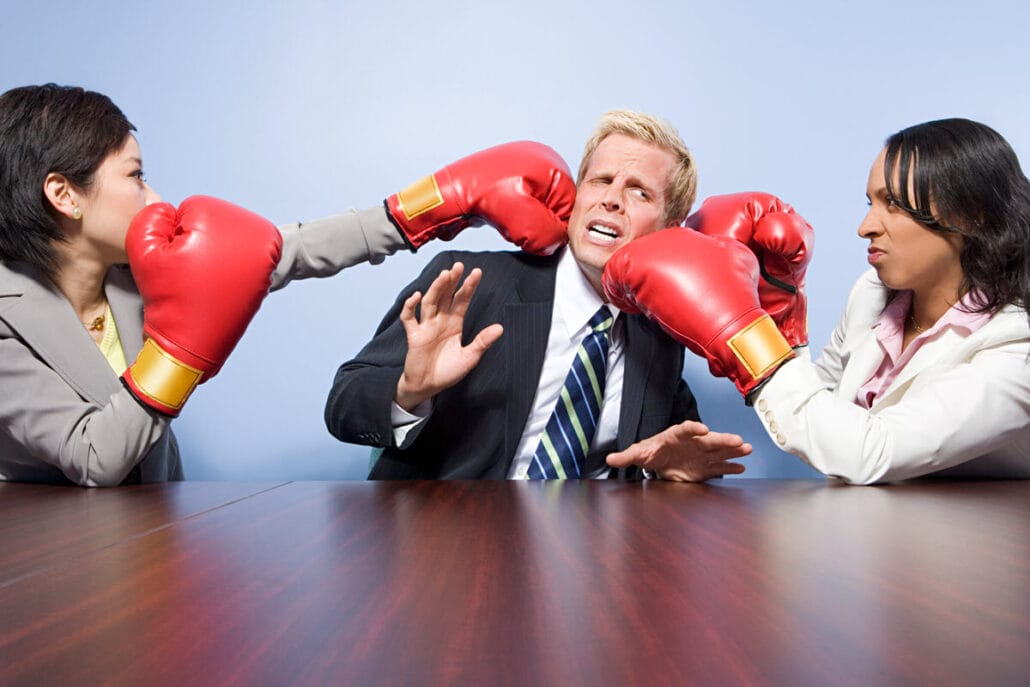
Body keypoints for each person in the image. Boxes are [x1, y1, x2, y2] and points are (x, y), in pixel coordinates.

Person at [0, 83, 574, 486]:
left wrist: (440, 202)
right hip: (48, 569)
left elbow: (290, 249)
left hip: (155, 545)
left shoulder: (136, 275)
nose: (155, 198)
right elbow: (95, 458)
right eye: (135, 176)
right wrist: (177, 352)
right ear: (64, 195)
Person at [325, 109, 753, 480]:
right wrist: (408, 392)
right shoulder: (469, 283)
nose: (610, 200)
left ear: (669, 228)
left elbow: (678, 444)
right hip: (452, 546)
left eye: (638, 191)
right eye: (600, 180)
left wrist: (666, 465)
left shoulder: (660, 328)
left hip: (590, 555)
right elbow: (344, 403)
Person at [603, 118, 1030, 484]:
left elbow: (870, 452)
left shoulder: (1017, 351)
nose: (865, 227)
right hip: (876, 542)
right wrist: (782, 320)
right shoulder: (873, 294)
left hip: (974, 561)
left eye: (893, 205)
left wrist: (745, 337)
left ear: (970, 216)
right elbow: (822, 406)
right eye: (870, 202)